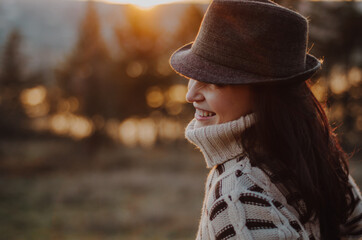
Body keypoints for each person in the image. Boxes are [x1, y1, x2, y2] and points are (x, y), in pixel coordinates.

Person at [168, 0, 362, 239]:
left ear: (263, 92)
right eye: (193, 75)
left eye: (212, 81)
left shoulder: (239, 196)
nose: (190, 95)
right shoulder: (316, 153)